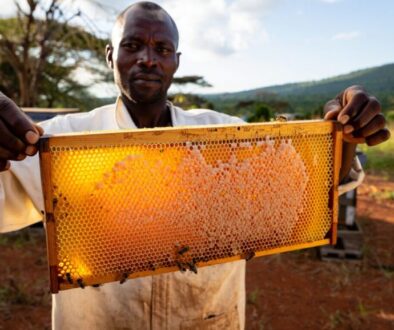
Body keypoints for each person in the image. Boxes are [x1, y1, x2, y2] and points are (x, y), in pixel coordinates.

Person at [0, 2, 390, 329]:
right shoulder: (60, 142)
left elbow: (311, 188)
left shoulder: (227, 137)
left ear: (176, 61)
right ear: (110, 56)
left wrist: (340, 134)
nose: (147, 59)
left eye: (162, 49)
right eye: (132, 45)